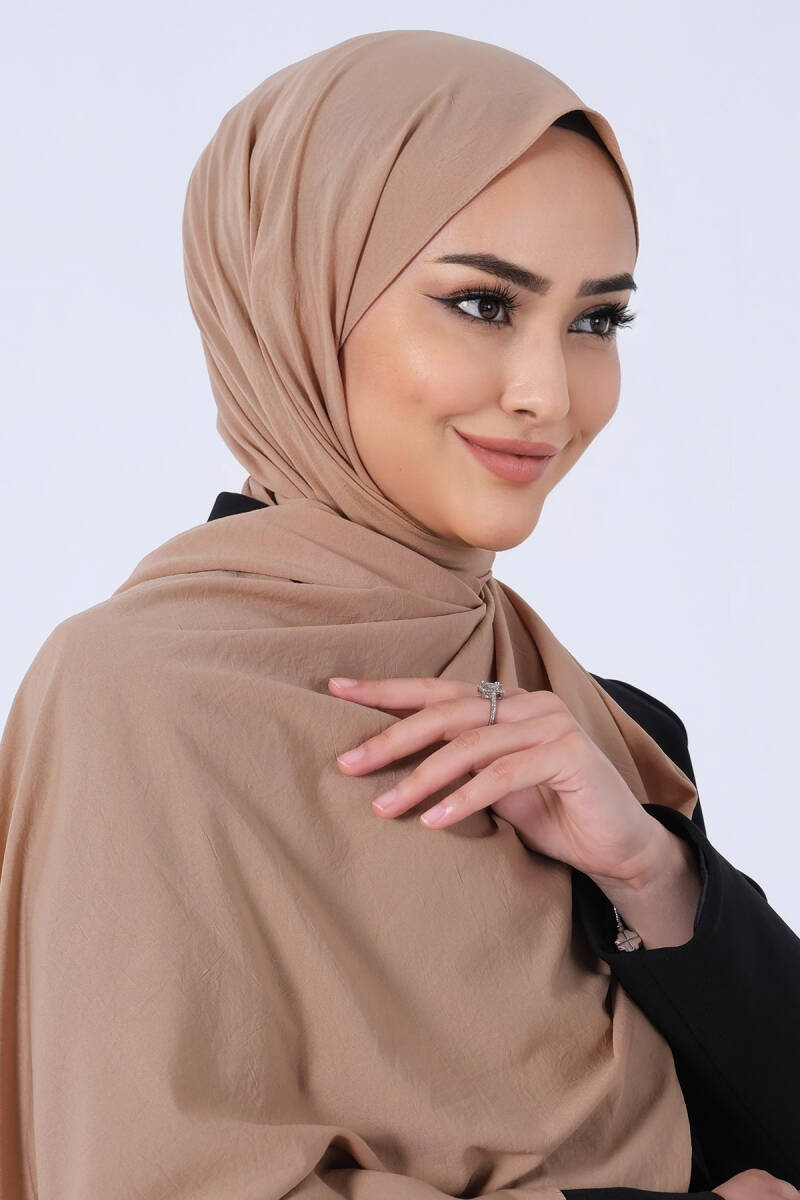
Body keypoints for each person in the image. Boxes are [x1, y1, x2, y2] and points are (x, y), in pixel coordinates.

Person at [1, 28, 798, 1200]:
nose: (546, 394)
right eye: (482, 303)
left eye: (595, 321)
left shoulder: (600, 737)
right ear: (297, 301)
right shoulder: (135, 707)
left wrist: (653, 879)